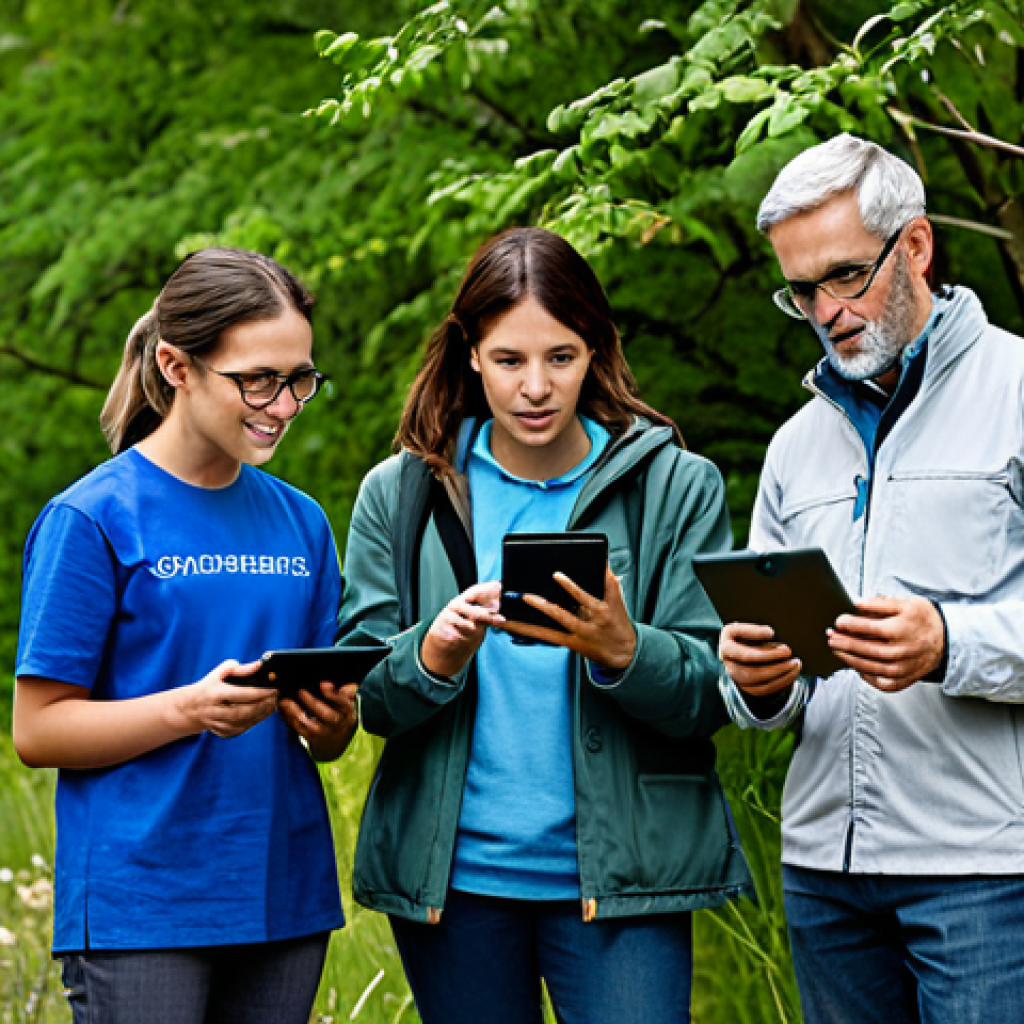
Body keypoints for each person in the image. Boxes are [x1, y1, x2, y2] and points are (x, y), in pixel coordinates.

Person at [336, 226, 752, 1024]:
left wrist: (625, 650)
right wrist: (434, 654)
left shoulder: (676, 484)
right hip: (454, 887)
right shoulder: (401, 493)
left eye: (561, 357)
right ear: (469, 354)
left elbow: (715, 694)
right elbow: (368, 699)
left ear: (595, 350)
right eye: (508, 360)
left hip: (626, 882)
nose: (536, 387)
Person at [719, 134, 1024, 1024]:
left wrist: (949, 643)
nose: (826, 311)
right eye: (801, 291)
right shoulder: (793, 446)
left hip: (985, 870)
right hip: (824, 873)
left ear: (917, 245)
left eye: (846, 276)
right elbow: (770, 692)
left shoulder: (1016, 390)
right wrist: (757, 682)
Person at [13, 248, 358, 1024]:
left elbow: (324, 737)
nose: (283, 405)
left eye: (300, 379)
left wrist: (334, 722)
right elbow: (37, 730)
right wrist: (189, 709)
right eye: (257, 380)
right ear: (176, 366)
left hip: (282, 897)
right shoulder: (92, 519)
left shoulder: (302, 521)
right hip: (143, 906)